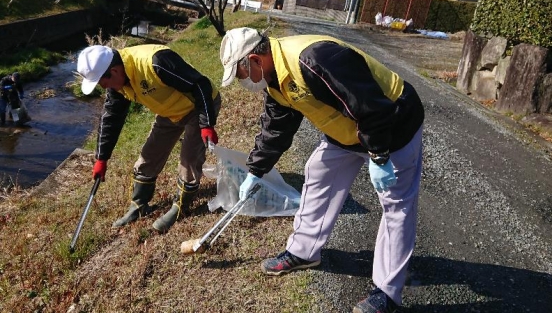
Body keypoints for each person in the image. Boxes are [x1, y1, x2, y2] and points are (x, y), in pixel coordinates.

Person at [218, 28, 424, 313]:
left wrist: (378, 155)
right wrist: (256, 170)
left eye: (241, 76)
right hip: (345, 131)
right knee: (318, 173)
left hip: (392, 124)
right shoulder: (274, 78)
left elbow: (370, 106)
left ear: (254, 59)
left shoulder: (314, 59)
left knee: (396, 204)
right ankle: (303, 252)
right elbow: (277, 127)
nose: (243, 83)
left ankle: (387, 293)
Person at [77, 44, 221, 233]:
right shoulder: (119, 83)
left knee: (189, 160)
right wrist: (101, 158)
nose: (105, 88)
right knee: (149, 156)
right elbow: (111, 118)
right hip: (169, 112)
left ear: (113, 70)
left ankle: (180, 208)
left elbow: (199, 84)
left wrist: (206, 124)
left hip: (197, 106)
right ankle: (139, 206)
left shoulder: (156, 62)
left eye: (103, 83)